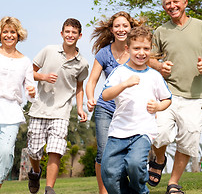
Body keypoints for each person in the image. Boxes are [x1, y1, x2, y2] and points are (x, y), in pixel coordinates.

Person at [100, 25, 172, 194]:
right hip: (118, 131)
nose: (141, 52)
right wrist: (124, 84)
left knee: (135, 164)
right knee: (109, 173)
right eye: (136, 48)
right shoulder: (119, 72)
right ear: (127, 49)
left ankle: (141, 191)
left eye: (146, 48)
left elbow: (167, 99)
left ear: (150, 49)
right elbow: (105, 95)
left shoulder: (154, 75)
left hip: (143, 131)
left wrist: (158, 106)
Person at [148, 0, 202, 194]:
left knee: (189, 139)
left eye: (175, 2)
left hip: (196, 96)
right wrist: (159, 66)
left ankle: (173, 183)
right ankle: (160, 159)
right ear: (164, 7)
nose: (171, 6)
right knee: (159, 133)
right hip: (168, 94)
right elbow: (149, 58)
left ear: (185, 3)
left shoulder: (200, 27)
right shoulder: (161, 31)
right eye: (167, 4)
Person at [27, 18, 89, 194]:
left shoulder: (82, 63)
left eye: (74, 32)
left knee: (56, 148)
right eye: (67, 32)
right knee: (34, 151)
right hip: (40, 108)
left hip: (61, 112)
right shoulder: (48, 50)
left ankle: (49, 189)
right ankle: (35, 172)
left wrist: (79, 108)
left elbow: (79, 88)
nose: (70, 35)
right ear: (62, 33)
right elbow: (29, 72)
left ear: (79, 35)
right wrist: (44, 77)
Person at [86, 11, 143, 194]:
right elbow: (92, 81)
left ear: (131, 28)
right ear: (111, 29)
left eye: (125, 26)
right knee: (103, 152)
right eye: (117, 26)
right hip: (106, 108)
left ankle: (127, 187)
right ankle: (103, 190)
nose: (121, 29)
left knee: (128, 153)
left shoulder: (137, 51)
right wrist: (90, 97)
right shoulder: (104, 53)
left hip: (129, 110)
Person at [0, 16, 36, 189]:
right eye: (5, 31)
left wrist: (32, 91)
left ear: (18, 34)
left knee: (6, 153)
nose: (9, 35)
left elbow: (30, 90)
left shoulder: (25, 62)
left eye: (12, 32)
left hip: (11, 111)